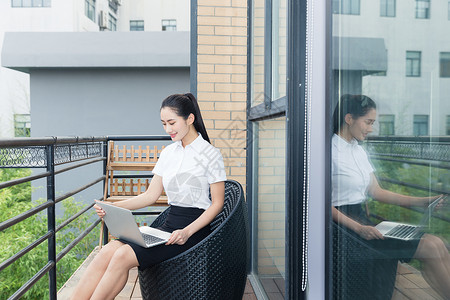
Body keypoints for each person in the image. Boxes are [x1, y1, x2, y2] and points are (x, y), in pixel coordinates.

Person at [71, 93, 227, 300]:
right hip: (168, 228)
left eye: (172, 122)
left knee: (122, 255)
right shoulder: (168, 153)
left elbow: (217, 204)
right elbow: (150, 195)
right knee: (108, 251)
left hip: (193, 232)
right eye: (163, 124)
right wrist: (112, 207)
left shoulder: (211, 154)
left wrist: (187, 232)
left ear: (189, 119)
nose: (168, 129)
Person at [332, 94, 450, 299]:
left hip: (363, 222)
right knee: (429, 246)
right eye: (368, 122)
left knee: (437, 243)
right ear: (349, 119)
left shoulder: (358, 151)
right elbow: (319, 204)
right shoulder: (327, 152)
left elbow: (376, 192)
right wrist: (359, 228)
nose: (371, 129)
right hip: (344, 230)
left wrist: (423, 202)